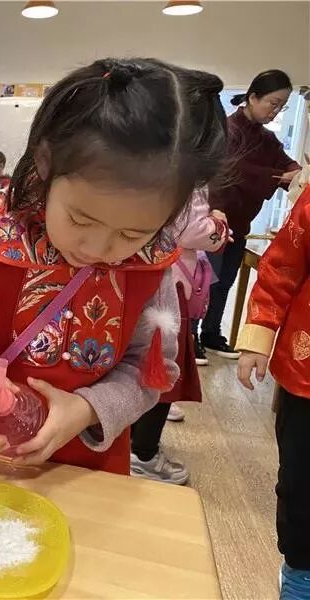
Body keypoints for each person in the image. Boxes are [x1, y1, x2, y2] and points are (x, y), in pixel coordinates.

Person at [0, 58, 228, 474]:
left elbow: (151, 366)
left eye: (132, 233)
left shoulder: (151, 267)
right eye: (80, 220)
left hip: (81, 471)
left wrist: (88, 408)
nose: (100, 248)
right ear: (44, 161)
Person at [237, 186, 310, 600]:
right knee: (301, 480)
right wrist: (258, 335)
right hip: (306, 376)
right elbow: (281, 268)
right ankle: (301, 571)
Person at [130, 188, 230, 484]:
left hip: (138, 272)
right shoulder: (186, 176)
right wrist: (219, 224)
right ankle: (144, 453)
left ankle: (132, 440)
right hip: (169, 282)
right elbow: (192, 230)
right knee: (161, 369)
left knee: (136, 363)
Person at [200, 70, 301, 360]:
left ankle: (211, 333)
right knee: (205, 282)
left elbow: (288, 165)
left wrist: (297, 173)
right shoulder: (227, 129)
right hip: (214, 219)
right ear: (253, 97)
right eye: (273, 103)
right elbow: (231, 168)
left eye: (281, 106)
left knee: (225, 282)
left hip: (240, 222)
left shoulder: (267, 139)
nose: (275, 111)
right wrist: (277, 176)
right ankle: (191, 337)